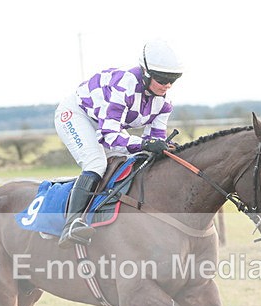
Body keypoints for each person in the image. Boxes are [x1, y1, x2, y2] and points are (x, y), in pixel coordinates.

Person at [54, 39, 184, 248]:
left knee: (130, 163)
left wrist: (163, 148)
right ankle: (72, 224)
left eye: (173, 80)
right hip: (77, 115)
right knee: (96, 164)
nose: (167, 85)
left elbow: (155, 141)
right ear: (147, 73)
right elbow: (110, 135)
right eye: (162, 79)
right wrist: (146, 144)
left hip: (106, 124)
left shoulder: (164, 103)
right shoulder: (124, 85)